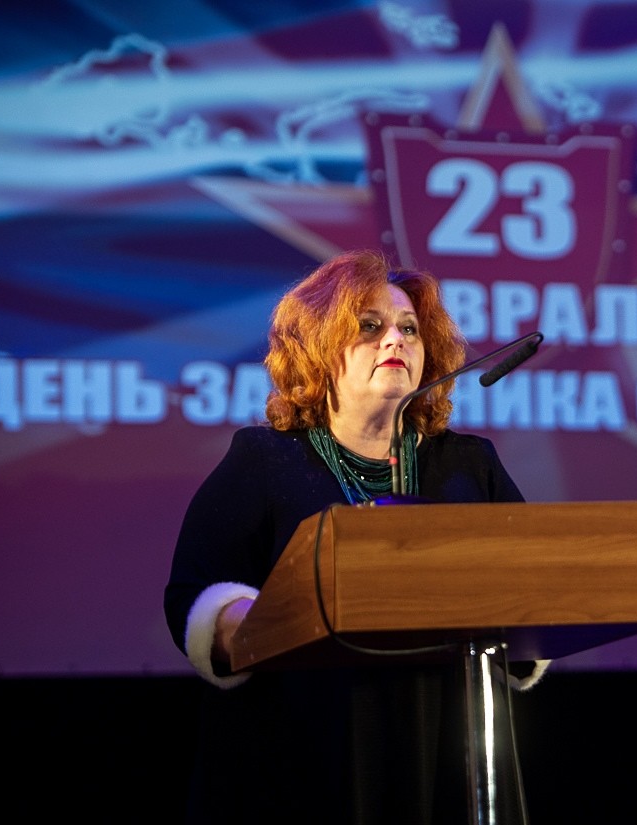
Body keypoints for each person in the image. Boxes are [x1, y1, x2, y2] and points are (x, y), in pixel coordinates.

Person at [164, 249, 547, 824]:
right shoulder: (264, 460)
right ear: (319, 349)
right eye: (370, 326)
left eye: (409, 329)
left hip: (448, 743)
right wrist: (272, 621)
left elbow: (537, 590)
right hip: (309, 744)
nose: (396, 340)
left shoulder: (470, 465)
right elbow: (195, 597)